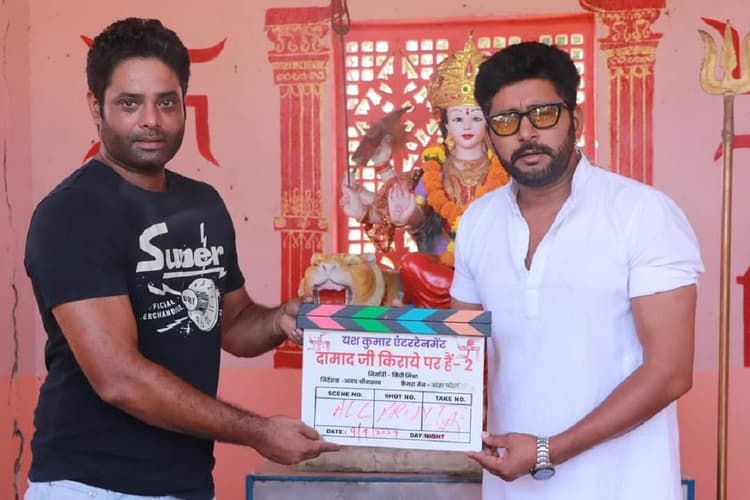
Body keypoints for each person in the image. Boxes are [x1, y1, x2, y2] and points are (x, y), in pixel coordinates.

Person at [23, 18, 338, 500]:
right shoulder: (73, 213)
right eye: (130, 103)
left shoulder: (202, 204)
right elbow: (120, 379)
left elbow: (232, 324)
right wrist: (258, 431)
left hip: (184, 484)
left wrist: (281, 319)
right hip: (91, 485)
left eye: (166, 101)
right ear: (95, 106)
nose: (151, 119)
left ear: (184, 104)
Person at [451, 41, 704, 500]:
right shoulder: (476, 222)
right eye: (506, 121)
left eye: (543, 114)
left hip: (622, 485)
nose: (526, 133)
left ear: (577, 119)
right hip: (512, 486)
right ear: (489, 134)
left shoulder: (641, 213)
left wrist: (548, 451)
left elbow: (669, 371)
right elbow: (460, 354)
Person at [341, 36, 509, 308]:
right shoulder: (435, 168)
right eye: (458, 118)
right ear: (446, 123)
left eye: (476, 117)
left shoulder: (504, 168)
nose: (467, 125)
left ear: (488, 121)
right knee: (411, 264)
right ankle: (453, 302)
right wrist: (408, 215)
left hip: (491, 266)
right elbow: (419, 214)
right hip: (442, 268)